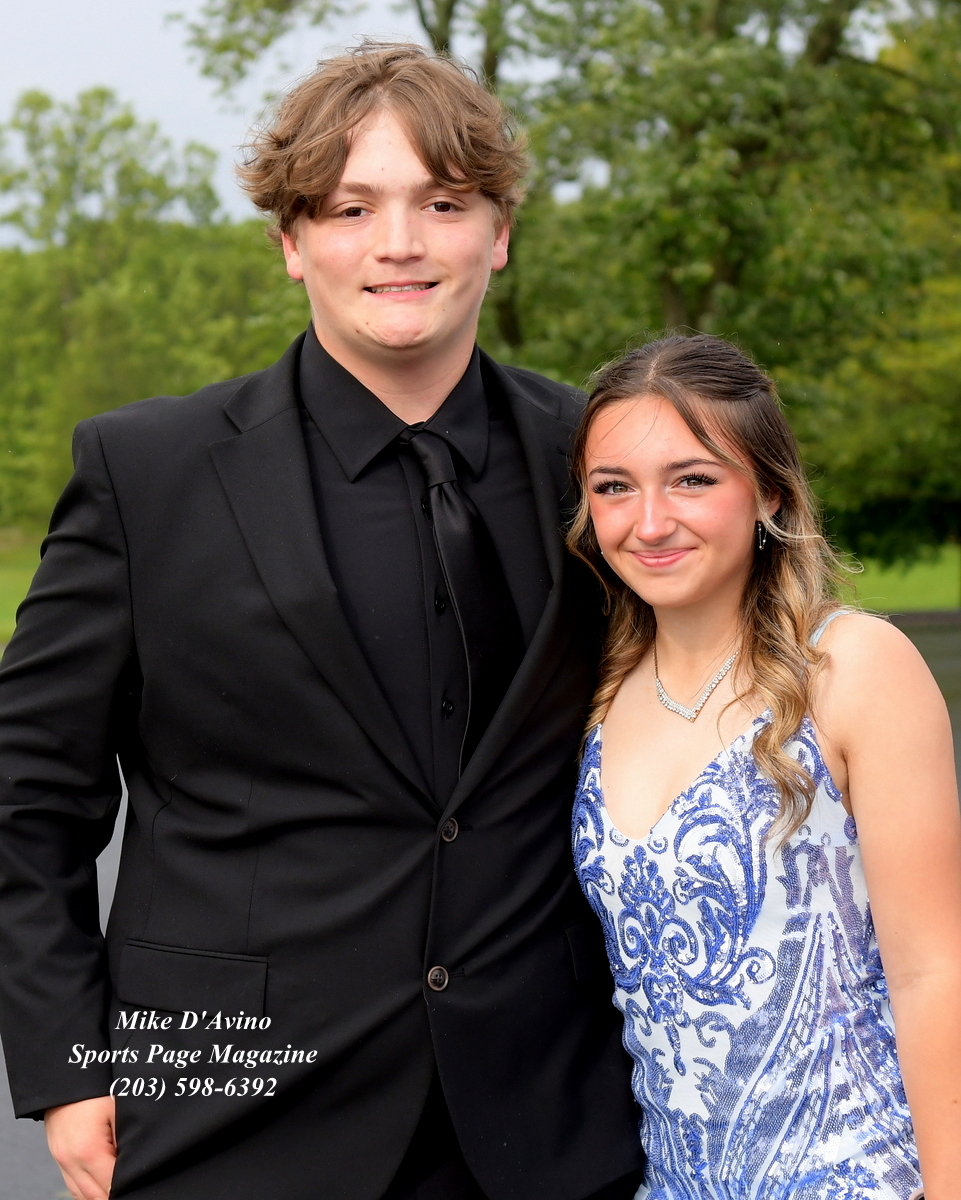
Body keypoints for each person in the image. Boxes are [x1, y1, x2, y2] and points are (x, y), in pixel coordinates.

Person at [0, 43, 644, 1200]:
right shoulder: (146, 473)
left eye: (443, 203)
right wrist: (65, 1063)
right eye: (351, 209)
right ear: (290, 242)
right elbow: (26, 795)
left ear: (499, 233)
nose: (399, 243)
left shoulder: (599, 461)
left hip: (549, 1117)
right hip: (225, 1115)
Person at [567, 334, 961, 1199]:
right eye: (613, 488)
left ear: (769, 490)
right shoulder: (594, 694)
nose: (648, 522)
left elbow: (934, 973)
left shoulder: (852, 668)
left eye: (691, 480)